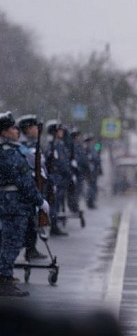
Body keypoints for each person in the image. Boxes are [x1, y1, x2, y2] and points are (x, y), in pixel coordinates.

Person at [0, 112, 50, 297]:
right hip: (14, 205)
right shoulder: (9, 153)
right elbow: (23, 181)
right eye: (13, 128)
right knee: (13, 242)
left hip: (10, 203)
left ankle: (4, 276)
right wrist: (39, 200)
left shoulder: (10, 150)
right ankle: (4, 279)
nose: (17, 131)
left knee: (10, 241)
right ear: (4, 132)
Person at [15, 115, 47, 261]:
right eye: (33, 127)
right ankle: (28, 248)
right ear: (27, 129)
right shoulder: (24, 147)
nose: (36, 130)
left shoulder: (34, 144)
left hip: (34, 186)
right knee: (28, 221)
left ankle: (31, 248)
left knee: (32, 220)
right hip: (27, 188)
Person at [44, 120, 71, 236]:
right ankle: (53, 226)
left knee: (57, 202)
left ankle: (54, 225)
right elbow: (60, 163)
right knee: (54, 202)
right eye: (59, 130)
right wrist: (67, 173)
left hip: (59, 177)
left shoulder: (57, 144)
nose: (62, 132)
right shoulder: (55, 145)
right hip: (56, 177)